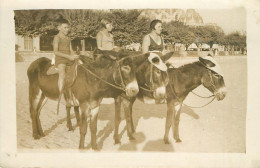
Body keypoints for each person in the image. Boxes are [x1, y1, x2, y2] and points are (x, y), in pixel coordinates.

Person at [53, 18, 79, 95]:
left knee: (81, 67)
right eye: (65, 28)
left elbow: (71, 50)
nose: (67, 29)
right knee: (62, 74)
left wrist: (74, 54)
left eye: (68, 27)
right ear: (59, 28)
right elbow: (55, 51)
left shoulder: (68, 38)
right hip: (61, 59)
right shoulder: (57, 38)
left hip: (69, 57)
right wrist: (68, 57)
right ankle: (60, 94)